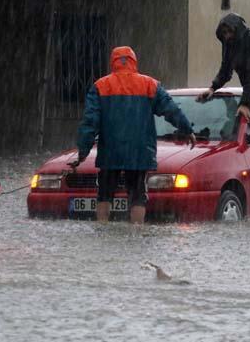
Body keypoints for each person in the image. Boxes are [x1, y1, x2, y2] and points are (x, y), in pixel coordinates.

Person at [71, 46, 196, 224]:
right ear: (134, 62)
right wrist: (187, 129)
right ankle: (136, 232)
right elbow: (171, 109)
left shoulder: (100, 86)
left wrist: (82, 152)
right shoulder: (150, 84)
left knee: (104, 193)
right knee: (138, 194)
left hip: (110, 150)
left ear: (112, 62)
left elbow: (90, 122)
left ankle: (102, 230)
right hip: (140, 150)